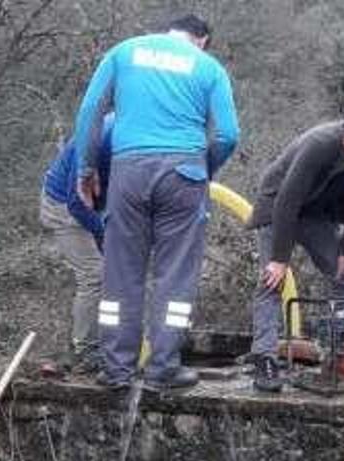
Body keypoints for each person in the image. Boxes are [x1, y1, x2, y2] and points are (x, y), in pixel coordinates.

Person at [71, 13, 240, 390]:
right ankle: (163, 368)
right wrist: (202, 170)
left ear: (170, 32)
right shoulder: (208, 67)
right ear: (201, 40)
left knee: (121, 274)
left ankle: (117, 370)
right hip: (185, 172)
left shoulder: (124, 52)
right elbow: (228, 134)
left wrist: (86, 169)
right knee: (176, 275)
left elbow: (89, 112)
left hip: (128, 171)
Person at [245, 114, 344, 392]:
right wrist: (279, 259)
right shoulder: (320, 144)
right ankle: (264, 358)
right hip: (278, 204)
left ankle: (342, 354)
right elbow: (287, 200)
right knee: (272, 281)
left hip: (318, 210)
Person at [38, 116, 113, 375]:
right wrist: (102, 231)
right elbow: (76, 204)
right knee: (94, 274)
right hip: (64, 207)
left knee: (116, 270)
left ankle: (111, 339)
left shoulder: (140, 134)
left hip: (95, 204)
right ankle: (85, 349)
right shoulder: (96, 141)